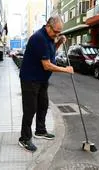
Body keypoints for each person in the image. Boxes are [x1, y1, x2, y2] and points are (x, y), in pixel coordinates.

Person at [18, 15, 74, 152]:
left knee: (43, 105)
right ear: (48, 26)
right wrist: (65, 69)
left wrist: (59, 42)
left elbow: (50, 52)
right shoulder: (39, 38)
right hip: (30, 79)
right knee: (30, 109)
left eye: (59, 32)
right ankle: (24, 138)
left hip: (41, 79)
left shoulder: (49, 38)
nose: (57, 34)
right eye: (56, 32)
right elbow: (47, 65)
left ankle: (40, 131)